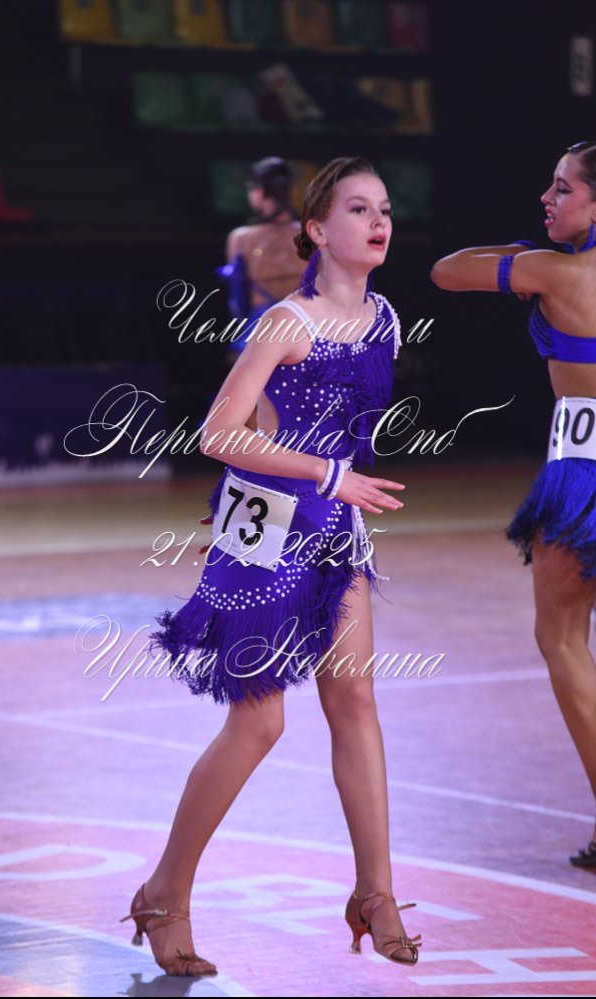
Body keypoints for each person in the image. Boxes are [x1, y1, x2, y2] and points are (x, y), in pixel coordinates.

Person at [120, 157, 423, 976]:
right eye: (358, 208)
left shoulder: (387, 318)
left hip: (334, 527)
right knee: (259, 723)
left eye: (384, 207)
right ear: (317, 230)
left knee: (355, 698)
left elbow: (331, 435)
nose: (378, 220)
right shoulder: (286, 322)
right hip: (269, 535)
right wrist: (325, 476)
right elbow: (219, 433)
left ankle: (376, 892)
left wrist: (337, 489)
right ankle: (164, 891)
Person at [430, 140, 596, 870]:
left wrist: (521, 256)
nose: (547, 198)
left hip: (582, 470)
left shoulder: (553, 271)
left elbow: (446, 270)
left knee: (562, 638)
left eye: (563, 188)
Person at [217, 157, 307, 359]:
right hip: (308, 328)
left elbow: (238, 298)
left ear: (258, 192)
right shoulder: (310, 234)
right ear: (291, 191)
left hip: (263, 331)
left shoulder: (241, 238)